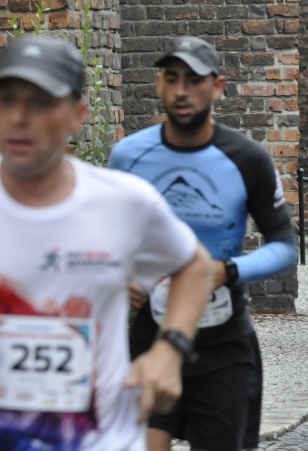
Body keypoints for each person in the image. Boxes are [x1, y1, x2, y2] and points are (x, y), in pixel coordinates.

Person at [0, 36, 214, 450]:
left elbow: (195, 266)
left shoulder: (123, 202)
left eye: (41, 102)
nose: (19, 117)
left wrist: (169, 350)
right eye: (6, 99)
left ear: (77, 114)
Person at [110, 37, 297, 451]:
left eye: (194, 80)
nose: (181, 91)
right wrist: (122, 278)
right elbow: (107, 240)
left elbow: (285, 246)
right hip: (151, 336)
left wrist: (227, 270)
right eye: (172, 78)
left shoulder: (247, 158)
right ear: (158, 84)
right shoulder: (128, 156)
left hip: (222, 343)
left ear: (217, 87)